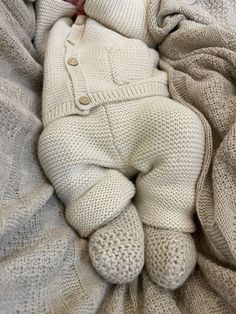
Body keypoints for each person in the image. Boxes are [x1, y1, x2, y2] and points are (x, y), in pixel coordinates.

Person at [38, 0, 205, 289]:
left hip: (140, 103)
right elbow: (40, 40)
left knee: (183, 127)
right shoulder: (55, 22)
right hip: (75, 121)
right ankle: (109, 213)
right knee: (54, 145)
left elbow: (146, 29)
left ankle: (164, 215)